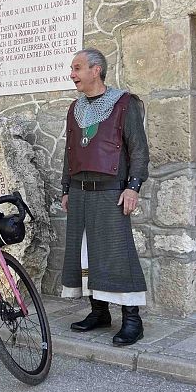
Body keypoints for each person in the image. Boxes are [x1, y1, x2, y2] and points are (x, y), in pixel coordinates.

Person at [60, 48, 150, 346]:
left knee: (117, 254)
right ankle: (99, 312)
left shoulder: (125, 104)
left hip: (111, 192)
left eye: (77, 68)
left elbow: (138, 149)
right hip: (79, 191)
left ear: (95, 70)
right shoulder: (75, 108)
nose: (72, 74)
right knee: (86, 252)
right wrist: (65, 188)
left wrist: (133, 187)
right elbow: (70, 150)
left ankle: (132, 319)